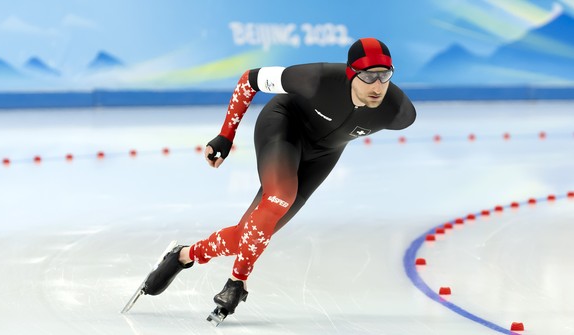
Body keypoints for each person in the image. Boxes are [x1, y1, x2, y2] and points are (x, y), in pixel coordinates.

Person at [141, 37, 416, 322]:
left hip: (323, 156)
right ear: (350, 73)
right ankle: (236, 282)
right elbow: (249, 80)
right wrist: (226, 135)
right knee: (279, 197)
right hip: (284, 127)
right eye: (368, 75)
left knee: (250, 234)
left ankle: (184, 255)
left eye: (385, 75)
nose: (377, 85)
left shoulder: (399, 112)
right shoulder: (316, 79)